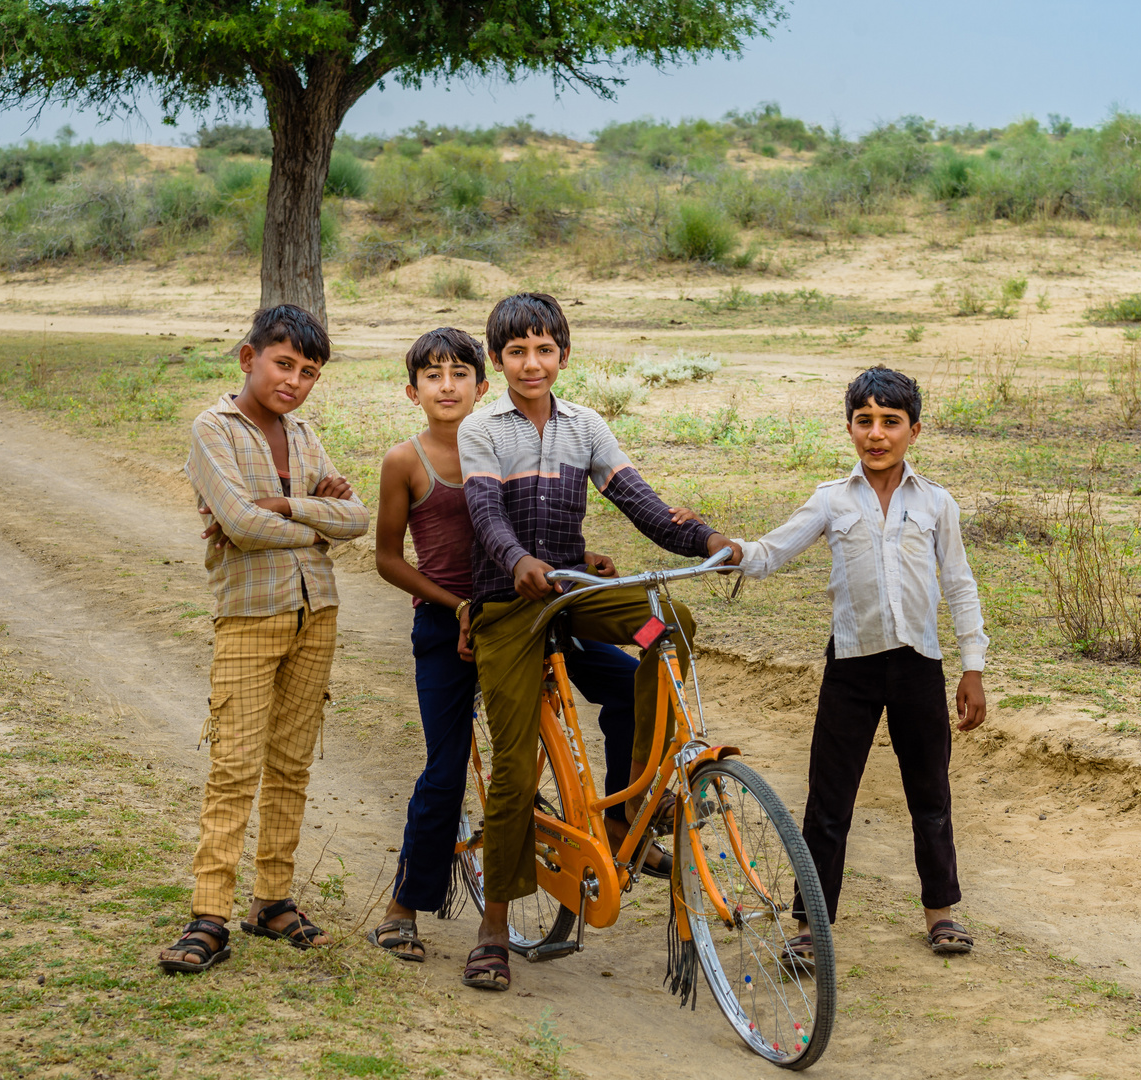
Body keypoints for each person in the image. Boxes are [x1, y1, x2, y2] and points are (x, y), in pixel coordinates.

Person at [457, 293, 741, 992]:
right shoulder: (483, 430)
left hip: (578, 601)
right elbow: (486, 513)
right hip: (511, 610)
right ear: (498, 360)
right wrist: (515, 561)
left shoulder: (585, 425)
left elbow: (640, 502)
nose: (532, 362)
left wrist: (708, 540)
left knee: (664, 623)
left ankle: (636, 803)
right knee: (517, 769)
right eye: (517, 351)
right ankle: (494, 926)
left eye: (544, 349)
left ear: (563, 355)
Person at [368, 327, 673, 964]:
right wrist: (460, 609)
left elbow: (531, 522)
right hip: (459, 620)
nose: (446, 386)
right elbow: (393, 558)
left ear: (481, 388)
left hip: (539, 606)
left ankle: (625, 811)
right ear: (413, 390)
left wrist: (573, 556)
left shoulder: (511, 438)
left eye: (459, 375)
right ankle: (406, 904)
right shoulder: (409, 461)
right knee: (448, 769)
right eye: (432, 376)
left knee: (632, 673)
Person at [730, 364, 988, 961]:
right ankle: (809, 928)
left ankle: (941, 915)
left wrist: (971, 666)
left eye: (890, 422)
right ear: (849, 428)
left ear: (914, 431)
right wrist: (725, 549)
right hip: (850, 666)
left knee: (930, 795)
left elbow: (961, 585)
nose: (877, 434)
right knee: (828, 801)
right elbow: (771, 552)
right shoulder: (832, 500)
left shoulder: (936, 504)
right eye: (864, 421)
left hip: (919, 664)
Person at [158, 304, 371, 974]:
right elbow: (243, 528)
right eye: (284, 365)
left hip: (317, 611)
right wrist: (314, 519)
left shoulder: (302, 435)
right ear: (249, 359)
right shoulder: (211, 430)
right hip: (250, 614)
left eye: (308, 372)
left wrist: (286, 506)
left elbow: (358, 517)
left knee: (292, 763)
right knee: (234, 766)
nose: (295, 382)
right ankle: (208, 916)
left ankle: (272, 902)